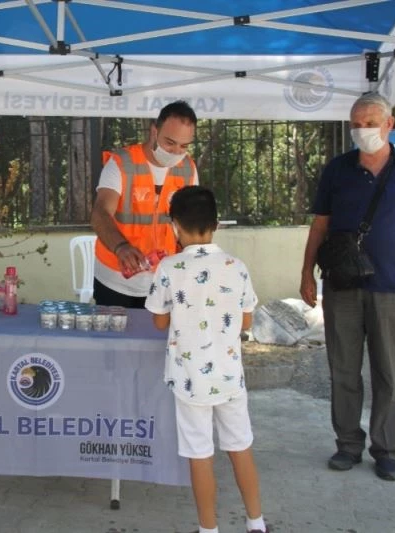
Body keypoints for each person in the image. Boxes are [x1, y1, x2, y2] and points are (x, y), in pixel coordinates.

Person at [299, 92, 395, 482]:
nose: (363, 130)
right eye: (357, 124)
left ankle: (386, 450)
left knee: (388, 373)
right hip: (342, 285)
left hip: (391, 287)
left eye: (370, 123)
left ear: (389, 124)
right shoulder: (338, 169)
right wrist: (305, 273)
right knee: (343, 370)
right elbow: (320, 226)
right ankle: (347, 444)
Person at [145, 186, 268, 533]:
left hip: (189, 381)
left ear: (174, 226)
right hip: (230, 377)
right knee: (240, 446)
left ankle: (209, 529)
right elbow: (246, 321)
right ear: (216, 224)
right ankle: (256, 522)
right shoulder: (236, 267)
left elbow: (158, 321)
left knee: (200, 455)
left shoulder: (169, 268)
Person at [91, 100, 199, 308]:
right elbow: (100, 214)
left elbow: (189, 225)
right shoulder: (122, 163)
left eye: (184, 146)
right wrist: (121, 247)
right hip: (115, 280)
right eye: (169, 142)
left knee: (159, 340)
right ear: (153, 131)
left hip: (164, 281)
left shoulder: (188, 168)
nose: (176, 151)